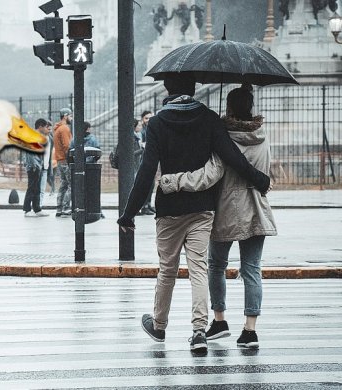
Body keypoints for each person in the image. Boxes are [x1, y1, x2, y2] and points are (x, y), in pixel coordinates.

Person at [117, 74, 271, 353]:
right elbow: (231, 157)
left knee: (167, 270)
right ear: (195, 88)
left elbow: (147, 170)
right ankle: (199, 331)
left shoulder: (158, 123)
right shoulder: (210, 119)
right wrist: (258, 178)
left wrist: (129, 212)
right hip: (203, 208)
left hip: (169, 209)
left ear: (167, 89)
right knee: (199, 269)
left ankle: (159, 326)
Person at [159, 85, 277, 349]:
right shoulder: (262, 134)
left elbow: (213, 173)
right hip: (257, 209)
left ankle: (220, 320)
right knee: (252, 270)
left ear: (230, 107)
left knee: (215, 266)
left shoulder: (224, 136)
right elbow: (265, 171)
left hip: (226, 208)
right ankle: (250, 330)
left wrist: (175, 181)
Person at [22, 119, 50, 217]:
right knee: (32, 187)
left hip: (37, 165)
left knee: (37, 188)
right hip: (33, 166)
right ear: (40, 126)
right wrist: (35, 165)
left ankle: (37, 209)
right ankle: (27, 209)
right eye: (46, 126)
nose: (46, 128)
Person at [53, 108, 73, 218]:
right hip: (66, 160)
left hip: (60, 160)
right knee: (71, 184)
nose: (72, 118)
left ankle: (59, 208)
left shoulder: (57, 129)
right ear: (65, 116)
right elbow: (67, 146)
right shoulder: (65, 128)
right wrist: (71, 159)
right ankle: (66, 208)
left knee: (63, 185)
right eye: (71, 116)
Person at [138, 110, 156, 216]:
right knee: (147, 183)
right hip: (144, 159)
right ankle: (144, 206)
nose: (148, 120)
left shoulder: (151, 128)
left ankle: (148, 204)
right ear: (142, 119)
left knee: (151, 183)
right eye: (146, 118)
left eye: (150, 117)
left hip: (150, 158)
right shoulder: (142, 130)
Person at [39, 120, 54, 208]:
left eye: (51, 129)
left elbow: (50, 154)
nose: (49, 131)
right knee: (35, 189)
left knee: (42, 189)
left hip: (45, 167)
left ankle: (39, 206)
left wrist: (49, 167)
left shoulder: (50, 139)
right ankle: (33, 207)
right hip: (38, 167)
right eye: (48, 129)